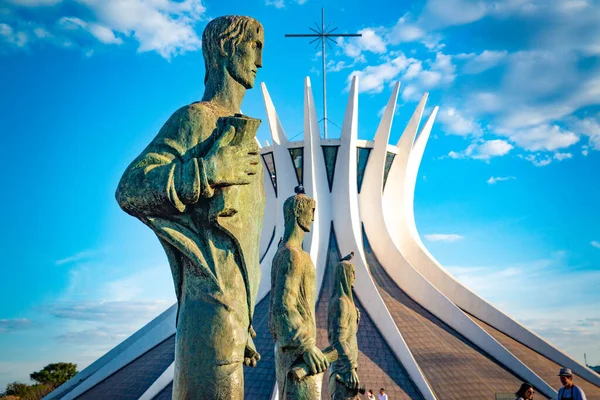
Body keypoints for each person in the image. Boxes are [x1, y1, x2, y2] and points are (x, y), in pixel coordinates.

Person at [116, 15, 265, 400]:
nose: (260, 62)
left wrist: (244, 320)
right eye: (255, 46)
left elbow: (237, 244)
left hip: (231, 319)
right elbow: (130, 189)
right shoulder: (196, 120)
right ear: (225, 48)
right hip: (207, 310)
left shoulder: (248, 140)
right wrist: (206, 170)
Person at [269, 189, 329, 399]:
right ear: (297, 213)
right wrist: (307, 345)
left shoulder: (290, 254)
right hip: (298, 356)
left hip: (298, 354)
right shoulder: (292, 256)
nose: (313, 216)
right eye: (311, 211)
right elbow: (282, 308)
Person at [328, 260, 361, 399]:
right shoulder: (341, 303)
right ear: (345, 274)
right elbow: (338, 340)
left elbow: (348, 337)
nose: (355, 276)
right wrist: (350, 367)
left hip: (346, 373)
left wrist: (355, 321)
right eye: (352, 272)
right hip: (343, 373)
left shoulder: (348, 303)